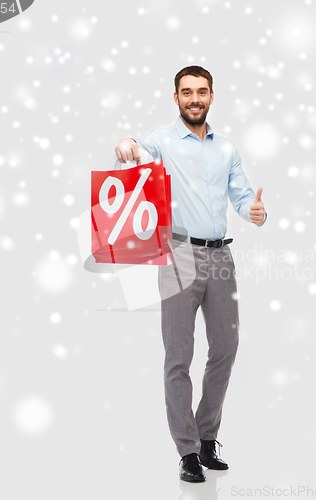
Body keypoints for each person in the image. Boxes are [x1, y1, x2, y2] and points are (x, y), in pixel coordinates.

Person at [114, 66, 267, 482]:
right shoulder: (162, 140)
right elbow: (133, 149)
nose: (194, 99)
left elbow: (242, 197)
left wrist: (255, 212)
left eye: (201, 92)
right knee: (178, 356)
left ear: (212, 96)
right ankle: (186, 451)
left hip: (221, 258)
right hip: (179, 254)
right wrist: (126, 142)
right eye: (187, 92)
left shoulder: (227, 148)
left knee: (226, 348)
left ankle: (205, 437)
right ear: (176, 97)